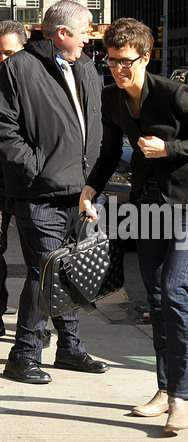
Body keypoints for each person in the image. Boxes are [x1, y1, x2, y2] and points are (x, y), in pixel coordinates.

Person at [79, 18, 188, 432]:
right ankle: (164, 388)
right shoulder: (111, 97)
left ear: (145, 57)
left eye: (125, 61)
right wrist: (90, 188)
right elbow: (109, 152)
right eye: (111, 60)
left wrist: (169, 148)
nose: (117, 69)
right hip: (147, 201)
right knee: (156, 295)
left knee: (175, 289)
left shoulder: (174, 93)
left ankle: (182, 397)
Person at [0, 1, 109, 384]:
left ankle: (70, 349)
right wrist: (35, 168)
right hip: (39, 193)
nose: (88, 37)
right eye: (85, 30)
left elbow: (97, 123)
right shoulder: (19, 68)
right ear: (62, 33)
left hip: (80, 193)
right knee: (44, 271)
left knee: (70, 269)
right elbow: (3, 128)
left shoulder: (86, 68)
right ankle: (24, 354)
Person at [0, 20, 28, 338]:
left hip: (26, 181)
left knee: (41, 258)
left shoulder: (35, 83)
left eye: (9, 53)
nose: (3, 60)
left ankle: (32, 327)